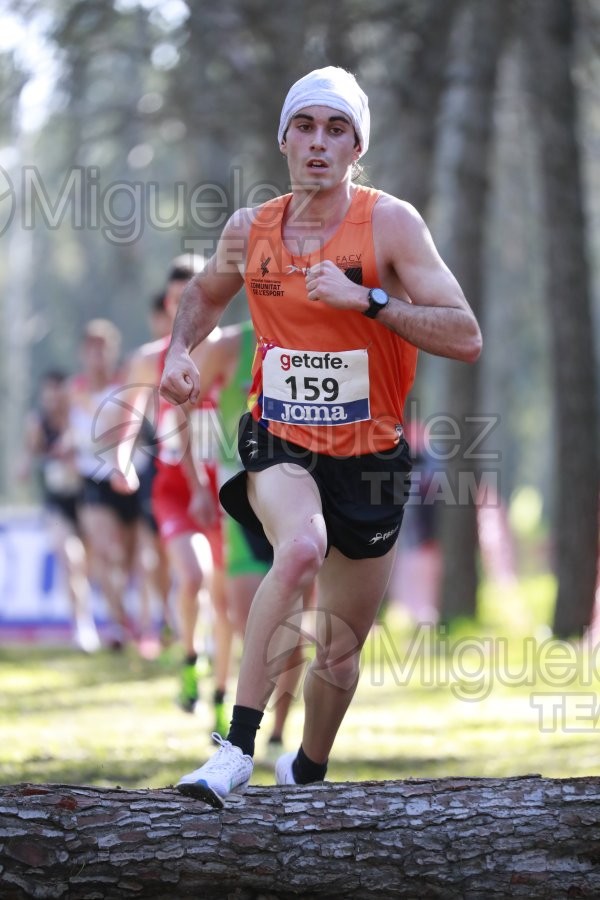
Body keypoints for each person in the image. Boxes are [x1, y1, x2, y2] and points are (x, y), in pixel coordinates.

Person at [160, 65, 482, 807]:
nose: (318, 142)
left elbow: (465, 336)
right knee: (299, 547)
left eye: (336, 129)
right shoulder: (251, 230)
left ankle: (307, 768)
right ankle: (234, 749)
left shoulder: (391, 225)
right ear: (283, 140)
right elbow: (204, 295)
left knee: (337, 650)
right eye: (304, 125)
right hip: (279, 441)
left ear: (356, 147)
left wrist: (369, 300)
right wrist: (179, 350)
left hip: (369, 460)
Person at [111, 258, 233, 735]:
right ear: (168, 305)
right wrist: (122, 459)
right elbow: (126, 417)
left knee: (224, 603)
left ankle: (222, 700)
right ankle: (190, 657)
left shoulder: (231, 351)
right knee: (193, 576)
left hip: (226, 488)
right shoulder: (150, 358)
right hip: (174, 487)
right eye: (182, 300)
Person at [69, 319, 141, 648]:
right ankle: (117, 626)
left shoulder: (126, 385)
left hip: (127, 478)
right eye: (92, 347)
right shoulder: (74, 390)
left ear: (113, 351)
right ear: (83, 352)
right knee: (105, 551)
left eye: (104, 347)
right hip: (92, 478)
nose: (98, 354)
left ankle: (130, 616)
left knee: (128, 557)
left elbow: (118, 427)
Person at [19, 370, 100, 652]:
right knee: (71, 559)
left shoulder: (81, 416)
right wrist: (33, 464)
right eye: (48, 395)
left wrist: (76, 456)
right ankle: (82, 625)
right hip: (56, 502)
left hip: (87, 500)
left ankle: (115, 624)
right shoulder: (38, 422)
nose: (53, 400)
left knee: (90, 564)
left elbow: (98, 448)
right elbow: (27, 461)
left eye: (58, 393)